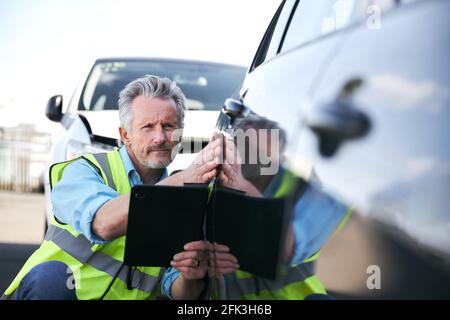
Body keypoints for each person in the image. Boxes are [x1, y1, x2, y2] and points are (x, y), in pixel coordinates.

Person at [2, 75, 234, 300]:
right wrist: (188, 176)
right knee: (50, 277)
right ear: (125, 135)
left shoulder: (184, 200)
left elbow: (178, 291)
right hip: (50, 294)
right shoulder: (83, 171)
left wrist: (191, 276)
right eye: (148, 127)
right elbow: (103, 224)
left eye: (169, 126)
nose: (160, 137)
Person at [162, 114, 352, 299]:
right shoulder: (206, 199)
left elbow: (282, 247)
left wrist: (241, 186)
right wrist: (189, 277)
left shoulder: (316, 198)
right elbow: (175, 289)